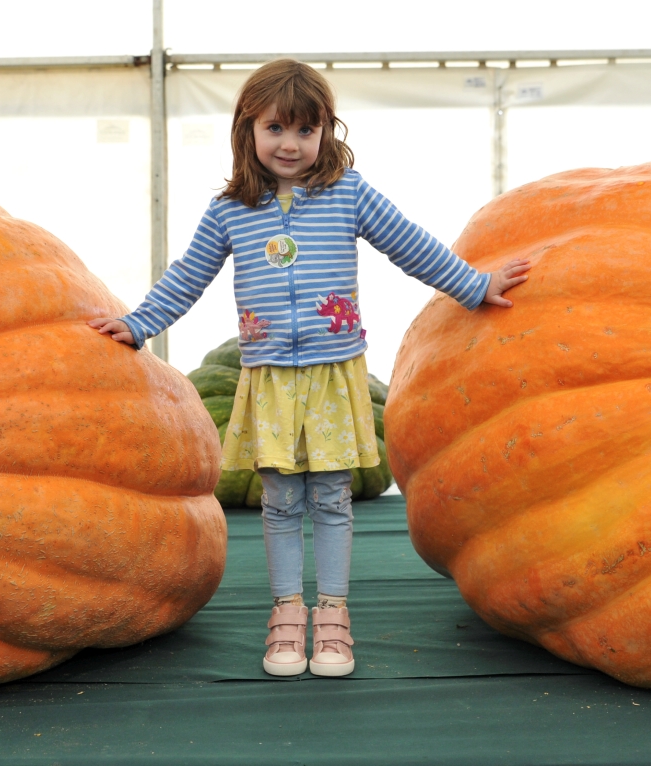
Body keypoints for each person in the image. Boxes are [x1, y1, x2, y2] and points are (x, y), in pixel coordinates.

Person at [89, 59, 529, 678]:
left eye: (305, 129)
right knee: (279, 500)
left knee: (329, 498)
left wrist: (474, 285)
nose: (290, 144)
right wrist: (139, 324)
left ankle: (333, 615)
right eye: (275, 128)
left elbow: (410, 245)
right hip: (269, 374)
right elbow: (188, 275)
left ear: (326, 131)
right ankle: (287, 613)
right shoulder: (230, 211)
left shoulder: (350, 194)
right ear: (248, 130)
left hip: (332, 374)